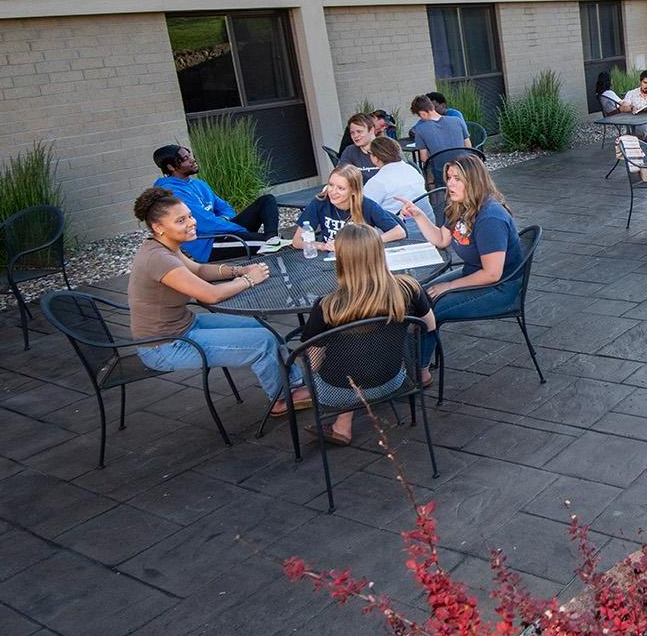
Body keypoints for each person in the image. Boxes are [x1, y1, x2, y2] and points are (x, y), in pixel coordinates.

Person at [126, 188, 309, 416]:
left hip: (185, 325)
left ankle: (295, 386)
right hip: (165, 345)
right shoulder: (158, 259)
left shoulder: (165, 247)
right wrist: (249, 280)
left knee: (261, 327)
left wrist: (239, 269)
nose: (191, 223)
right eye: (181, 220)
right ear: (158, 228)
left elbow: (200, 269)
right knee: (262, 343)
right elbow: (210, 295)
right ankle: (280, 399)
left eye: (190, 216)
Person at [297, 224, 436, 446]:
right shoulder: (409, 288)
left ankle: (341, 425)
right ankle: (342, 424)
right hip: (392, 380)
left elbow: (312, 364)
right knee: (364, 353)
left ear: (342, 259)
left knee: (311, 360)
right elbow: (429, 325)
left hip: (337, 393)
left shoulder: (328, 306)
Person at [406, 156, 523, 375]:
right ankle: (407, 364)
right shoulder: (460, 206)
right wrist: (419, 215)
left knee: (433, 307)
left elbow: (492, 274)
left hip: (500, 288)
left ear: (474, 181)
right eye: (449, 177)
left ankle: (419, 373)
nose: (450, 183)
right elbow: (441, 240)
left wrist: (449, 286)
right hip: (475, 273)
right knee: (418, 296)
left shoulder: (490, 217)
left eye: (457, 179)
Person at [151, 144, 281, 263]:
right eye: (185, 159)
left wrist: (226, 220)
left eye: (189, 156)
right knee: (267, 244)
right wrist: (241, 231)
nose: (192, 160)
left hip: (224, 231)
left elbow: (225, 207)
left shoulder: (199, 184)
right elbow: (203, 222)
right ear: (171, 167)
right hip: (209, 244)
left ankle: (272, 237)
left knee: (266, 200)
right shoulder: (171, 193)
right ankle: (269, 242)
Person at [294, 165, 405, 251]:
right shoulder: (320, 201)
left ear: (353, 191)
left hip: (360, 257)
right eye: (331, 185)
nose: (333, 191)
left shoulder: (367, 205)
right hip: (330, 256)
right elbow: (297, 241)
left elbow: (399, 232)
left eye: (341, 188)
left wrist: (365, 242)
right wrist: (322, 246)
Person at [363, 136, 431, 232]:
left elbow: (361, 210)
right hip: (428, 227)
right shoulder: (413, 170)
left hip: (400, 233)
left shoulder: (377, 182)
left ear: (375, 157)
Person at [407, 95, 472, 179]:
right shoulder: (457, 120)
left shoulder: (420, 130)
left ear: (422, 114)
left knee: (428, 171)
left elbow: (424, 158)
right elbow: (468, 146)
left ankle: (433, 190)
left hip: (441, 172)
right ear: (432, 106)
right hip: (464, 168)